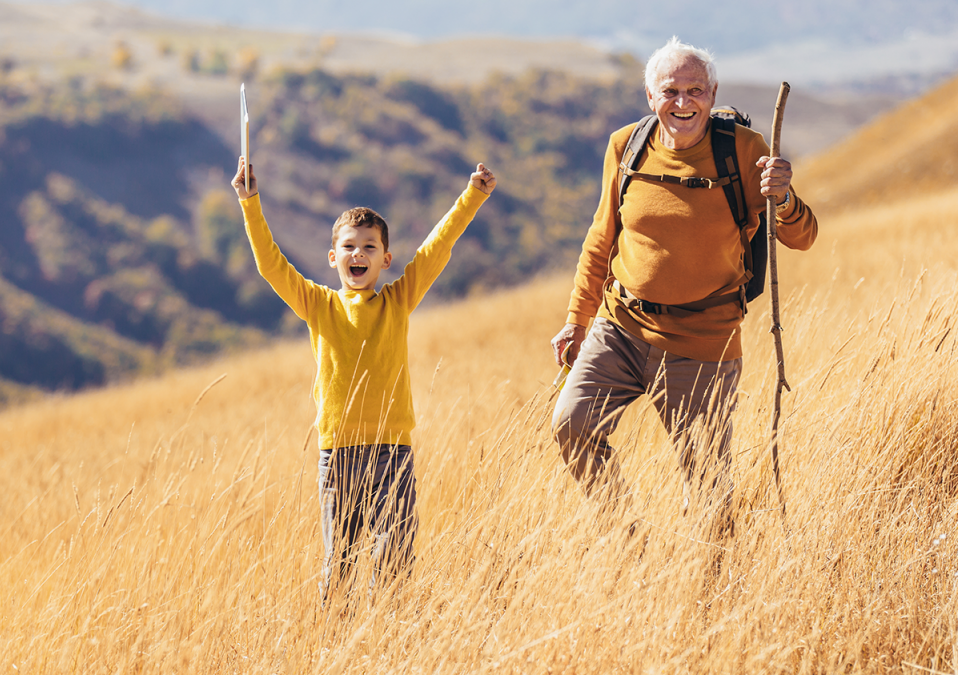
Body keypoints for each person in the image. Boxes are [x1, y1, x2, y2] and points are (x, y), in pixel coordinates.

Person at [550, 37, 817, 534]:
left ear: (713, 95)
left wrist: (782, 200)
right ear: (650, 97)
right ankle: (628, 541)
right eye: (670, 91)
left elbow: (803, 237)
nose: (683, 102)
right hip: (621, 326)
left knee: (709, 486)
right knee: (572, 424)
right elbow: (601, 237)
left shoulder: (744, 150)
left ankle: (709, 588)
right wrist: (576, 320)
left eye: (695, 90)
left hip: (704, 342)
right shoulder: (625, 145)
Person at [232, 157, 497, 595]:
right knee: (340, 565)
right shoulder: (318, 305)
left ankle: (386, 644)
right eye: (350, 247)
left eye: (370, 247)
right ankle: (335, 645)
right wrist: (250, 202)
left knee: (396, 562)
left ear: (386, 259)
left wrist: (473, 197)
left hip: (393, 451)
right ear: (333, 257)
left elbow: (436, 249)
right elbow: (271, 265)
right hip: (338, 455)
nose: (360, 254)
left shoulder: (397, 301)